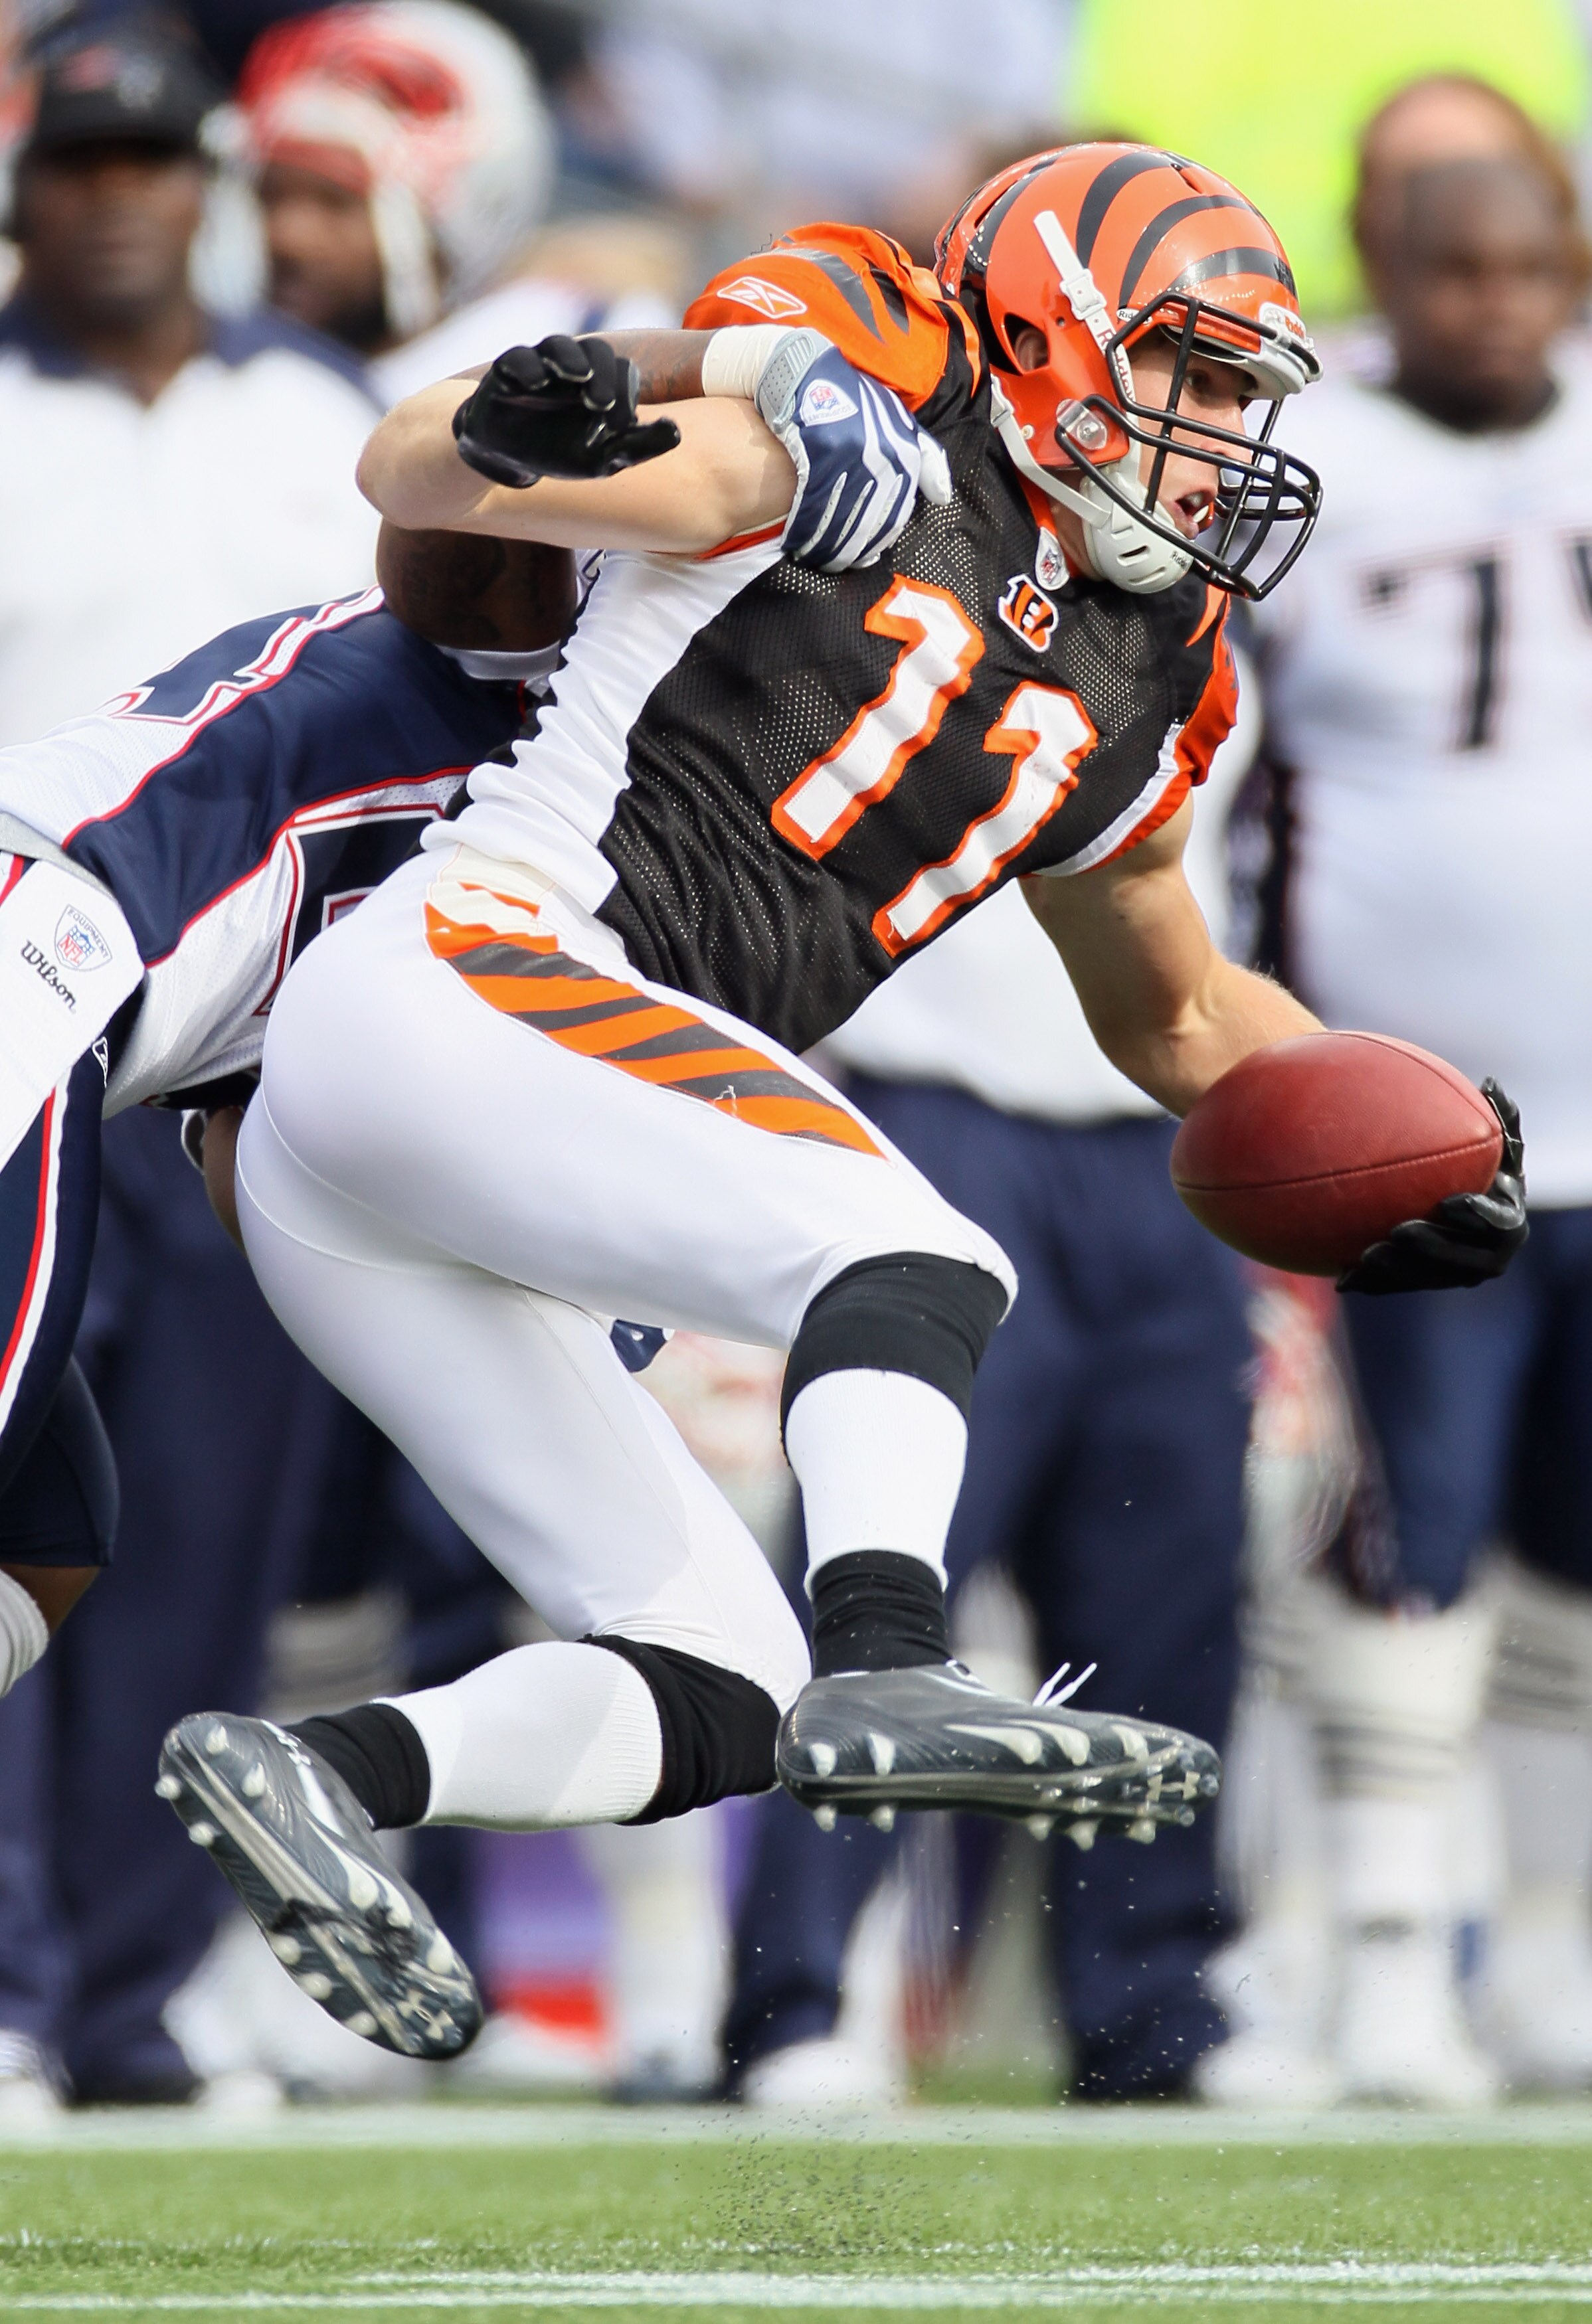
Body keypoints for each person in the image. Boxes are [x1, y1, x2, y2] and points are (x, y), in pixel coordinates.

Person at [165, 146, 1522, 2066]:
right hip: (467, 971)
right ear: (1051, 331)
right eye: (1190, 373)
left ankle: (322, 1770)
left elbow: (1185, 1012)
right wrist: (559, 404)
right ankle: (895, 1661)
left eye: (1244, 394)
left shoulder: (1146, 665)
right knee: (908, 1246)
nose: (1220, 432)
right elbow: (410, 465)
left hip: (424, 1149)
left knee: (712, 1674)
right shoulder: (841, 435)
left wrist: (1424, 1139)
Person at [727, 680, 1261, 2107]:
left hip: (1164, 1147)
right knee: (880, 1567)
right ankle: (802, 1997)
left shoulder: (1199, 601)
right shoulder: (918, 534)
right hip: (937, 1113)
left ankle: (1149, 2006)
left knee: (1168, 1579)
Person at [1241, 126, 1592, 2101]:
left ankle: (1537, 1947)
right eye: (1455, 271)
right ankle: (1376, 1952)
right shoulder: (1316, 474)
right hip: (1409, 1128)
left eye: (1527, 267)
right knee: (1397, 1537)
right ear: (1386, 268)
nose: (1494, 305)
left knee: (1566, 1549)